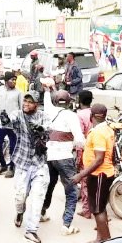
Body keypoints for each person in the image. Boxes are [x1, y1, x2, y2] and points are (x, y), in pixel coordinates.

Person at [3, 91, 50, 243]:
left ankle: (31, 230)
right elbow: (10, 121)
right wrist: (4, 120)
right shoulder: (18, 114)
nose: (26, 104)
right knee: (20, 196)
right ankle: (19, 212)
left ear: (36, 104)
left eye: (30, 102)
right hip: (22, 163)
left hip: (39, 163)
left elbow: (49, 129)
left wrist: (41, 129)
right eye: (25, 101)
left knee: (37, 197)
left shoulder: (42, 115)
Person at [40, 89, 86, 235]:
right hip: (65, 157)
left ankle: (42, 212)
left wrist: (47, 89)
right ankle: (66, 225)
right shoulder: (71, 116)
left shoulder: (49, 111)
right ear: (68, 102)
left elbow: (47, 101)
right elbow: (79, 139)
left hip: (50, 157)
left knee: (50, 185)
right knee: (71, 191)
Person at [73, 104, 115, 242]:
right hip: (103, 173)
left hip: (99, 174)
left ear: (92, 116)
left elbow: (99, 159)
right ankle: (100, 238)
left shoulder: (98, 133)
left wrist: (81, 174)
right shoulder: (107, 129)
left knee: (98, 210)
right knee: (100, 207)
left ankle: (106, 242)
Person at [0, 72, 22, 177]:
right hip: (1, 123)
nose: (14, 82)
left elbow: (22, 109)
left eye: (15, 80)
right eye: (12, 80)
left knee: (13, 147)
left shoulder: (18, 93)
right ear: (6, 80)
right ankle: (3, 165)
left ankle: (12, 168)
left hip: (13, 125)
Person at [75, 90, 94, 219]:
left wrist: (78, 156)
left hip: (86, 151)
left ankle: (87, 210)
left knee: (85, 181)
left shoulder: (79, 115)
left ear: (79, 101)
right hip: (97, 150)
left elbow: (79, 137)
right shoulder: (95, 112)